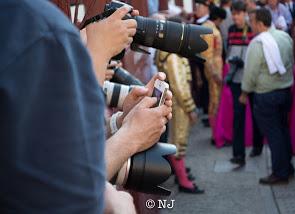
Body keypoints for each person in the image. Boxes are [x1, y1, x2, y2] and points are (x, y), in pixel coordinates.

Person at [0, 1, 172, 213]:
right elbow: (70, 187)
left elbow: (49, 147)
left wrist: (120, 122)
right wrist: (131, 136)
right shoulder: (35, 27)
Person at [240, 8, 294, 184]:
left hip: (266, 95)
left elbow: (251, 73)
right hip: (285, 91)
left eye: (252, 21)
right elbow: (291, 61)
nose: (251, 25)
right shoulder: (284, 36)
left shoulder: (258, 44)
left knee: (274, 134)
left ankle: (280, 172)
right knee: (283, 130)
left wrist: (244, 92)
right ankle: (288, 166)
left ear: (260, 23)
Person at [156, 36, 204, 193]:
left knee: (177, 139)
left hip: (175, 102)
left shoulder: (169, 53)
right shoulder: (173, 57)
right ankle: (183, 181)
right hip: (179, 104)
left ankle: (180, 173)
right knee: (179, 140)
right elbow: (180, 87)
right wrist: (190, 108)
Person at [226, 1, 260, 166]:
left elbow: (255, 56)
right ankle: (238, 154)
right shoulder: (231, 30)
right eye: (233, 14)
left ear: (245, 14)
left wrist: (243, 62)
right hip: (236, 81)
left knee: (255, 115)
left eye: (238, 14)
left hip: (251, 80)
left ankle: (257, 146)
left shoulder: (252, 31)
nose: (235, 17)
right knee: (238, 118)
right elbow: (228, 50)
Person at [195, 0, 223, 145]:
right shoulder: (210, 29)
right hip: (214, 70)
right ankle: (216, 134)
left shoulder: (207, 27)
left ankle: (216, 133)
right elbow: (208, 55)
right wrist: (214, 74)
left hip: (213, 69)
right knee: (215, 101)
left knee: (215, 101)